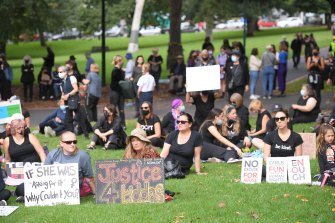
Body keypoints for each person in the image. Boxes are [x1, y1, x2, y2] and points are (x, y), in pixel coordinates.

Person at [3, 115, 46, 202]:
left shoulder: (30, 137)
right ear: (13, 128)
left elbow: (41, 152)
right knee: (21, 189)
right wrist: (8, 173)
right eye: (18, 128)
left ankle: (23, 194)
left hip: (36, 169)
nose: (21, 129)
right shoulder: (7, 140)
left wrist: (44, 166)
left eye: (23, 127)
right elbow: (7, 159)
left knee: (31, 186)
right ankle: (22, 193)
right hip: (20, 172)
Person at [44, 131, 96, 197]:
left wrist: (95, 193)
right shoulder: (52, 155)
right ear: (61, 143)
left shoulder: (83, 156)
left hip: (75, 189)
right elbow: (44, 177)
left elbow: (89, 178)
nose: (72, 144)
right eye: (68, 142)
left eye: (74, 142)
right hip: (55, 188)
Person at [59, 65, 89, 139]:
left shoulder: (72, 78)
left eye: (61, 72)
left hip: (74, 101)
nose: (59, 73)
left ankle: (86, 134)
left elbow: (76, 89)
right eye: (58, 72)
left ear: (65, 72)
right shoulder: (62, 82)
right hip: (67, 102)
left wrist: (68, 95)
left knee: (79, 118)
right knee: (68, 120)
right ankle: (72, 135)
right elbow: (63, 93)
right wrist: (62, 98)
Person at [110, 55, 126, 128]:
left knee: (121, 109)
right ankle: (113, 122)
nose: (121, 62)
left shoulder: (120, 70)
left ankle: (123, 124)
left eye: (121, 60)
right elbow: (115, 82)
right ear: (117, 61)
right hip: (115, 92)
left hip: (120, 92)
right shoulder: (115, 70)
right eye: (120, 61)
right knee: (113, 108)